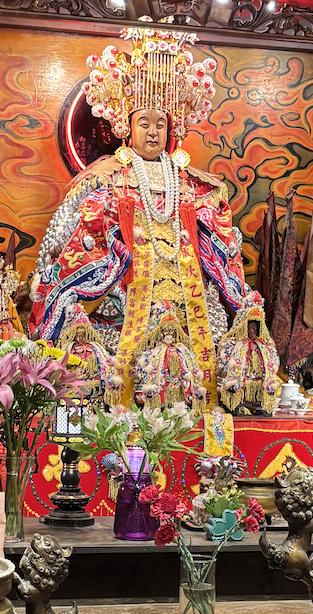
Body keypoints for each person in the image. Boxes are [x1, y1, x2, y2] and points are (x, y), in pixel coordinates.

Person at [30, 28, 270, 413]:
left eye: (161, 123)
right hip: (125, 290)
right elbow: (83, 236)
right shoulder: (106, 178)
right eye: (144, 122)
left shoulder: (192, 183)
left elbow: (218, 239)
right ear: (128, 127)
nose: (153, 131)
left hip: (187, 293)